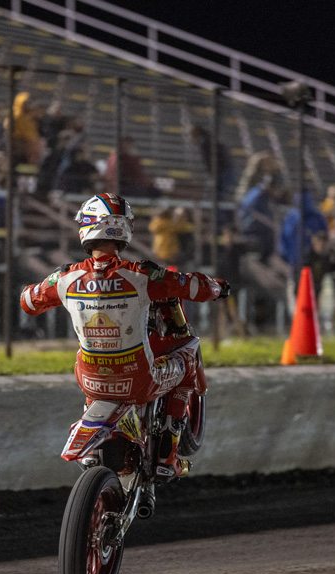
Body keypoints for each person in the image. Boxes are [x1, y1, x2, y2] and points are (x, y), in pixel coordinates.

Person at [19, 193, 229, 479]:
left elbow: (28, 302)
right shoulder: (142, 275)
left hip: (91, 381)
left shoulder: (65, 278)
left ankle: (96, 436)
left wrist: (53, 280)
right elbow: (192, 287)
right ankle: (167, 453)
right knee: (189, 352)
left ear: (86, 228)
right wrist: (217, 287)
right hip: (140, 381)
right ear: (124, 229)